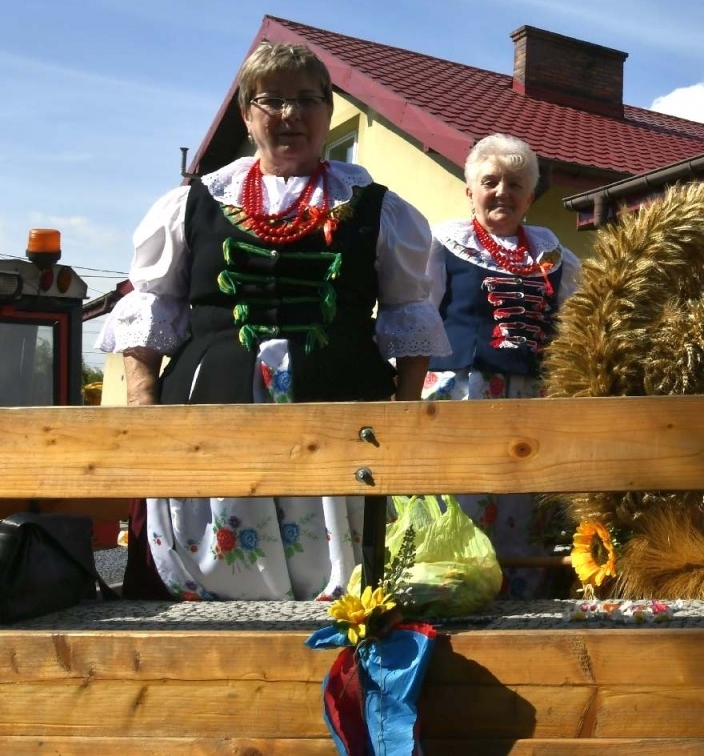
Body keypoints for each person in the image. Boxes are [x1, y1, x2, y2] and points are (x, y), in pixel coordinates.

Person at [99, 41, 450, 601]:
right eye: (272, 100)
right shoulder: (191, 204)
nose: (291, 115)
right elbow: (151, 306)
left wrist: (402, 423)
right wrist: (144, 412)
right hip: (208, 420)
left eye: (308, 100)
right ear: (247, 114)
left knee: (348, 588)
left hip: (339, 420)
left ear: (328, 114)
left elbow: (410, 316)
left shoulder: (378, 208)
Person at [424, 133, 581, 597]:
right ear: (469, 190)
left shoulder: (555, 258)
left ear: (530, 197)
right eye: (490, 181)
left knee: (525, 510)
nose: (502, 193)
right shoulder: (443, 245)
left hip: (533, 400)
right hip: (462, 396)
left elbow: (575, 329)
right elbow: (417, 318)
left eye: (515, 184)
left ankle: (523, 606)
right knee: (460, 503)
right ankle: (451, 597)